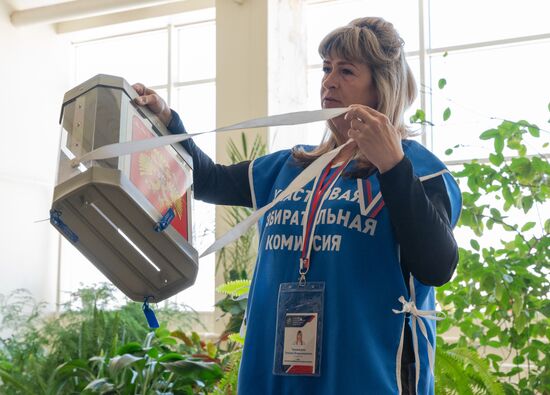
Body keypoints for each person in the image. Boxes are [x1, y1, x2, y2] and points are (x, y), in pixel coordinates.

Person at [133, 16, 460, 395]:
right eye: (326, 68)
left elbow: (437, 266)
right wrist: (167, 121)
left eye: (346, 71)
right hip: (277, 378)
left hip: (366, 378)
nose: (329, 81)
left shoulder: (419, 170)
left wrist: (392, 166)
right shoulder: (291, 167)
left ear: (381, 86)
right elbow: (208, 180)